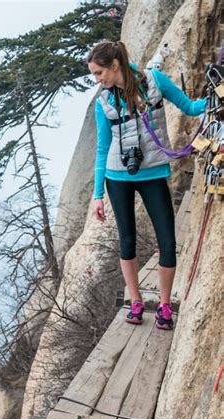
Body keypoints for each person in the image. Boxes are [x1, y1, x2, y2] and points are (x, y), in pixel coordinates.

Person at [87, 40, 207, 329]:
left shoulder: (154, 82)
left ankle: (165, 306)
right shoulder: (103, 102)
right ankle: (136, 301)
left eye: (98, 73)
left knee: (167, 241)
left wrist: (215, 101)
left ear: (115, 65)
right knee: (126, 241)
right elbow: (103, 147)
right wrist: (97, 194)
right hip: (118, 176)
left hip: (152, 173)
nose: (97, 80)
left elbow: (190, 107)